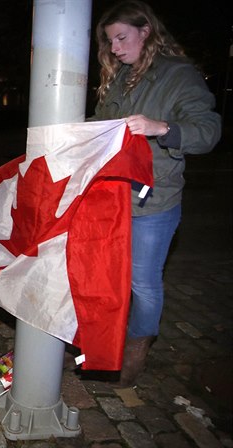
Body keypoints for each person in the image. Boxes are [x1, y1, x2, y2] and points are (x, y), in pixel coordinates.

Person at [90, 0, 221, 386]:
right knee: (106, 276)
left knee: (143, 282)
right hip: (112, 198)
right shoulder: (120, 77)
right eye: (109, 41)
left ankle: (135, 351)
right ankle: (102, 346)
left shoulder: (179, 75)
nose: (113, 48)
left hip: (154, 201)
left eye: (121, 37)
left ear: (145, 31)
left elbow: (208, 131)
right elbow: (101, 124)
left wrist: (162, 128)